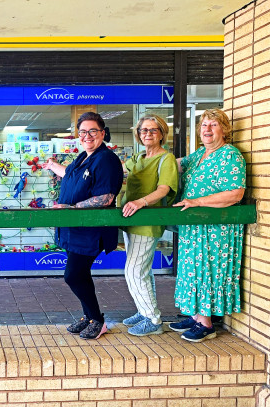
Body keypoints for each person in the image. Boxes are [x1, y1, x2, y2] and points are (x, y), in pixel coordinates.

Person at [43, 112, 123, 339]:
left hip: (91, 229)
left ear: (103, 133)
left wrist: (72, 208)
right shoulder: (83, 157)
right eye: (83, 132)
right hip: (75, 229)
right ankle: (89, 316)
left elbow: (106, 197)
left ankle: (97, 320)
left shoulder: (106, 159)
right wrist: (53, 166)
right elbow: (70, 175)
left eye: (93, 131)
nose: (87, 136)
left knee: (73, 275)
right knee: (81, 274)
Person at [169, 109, 246, 342]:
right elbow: (173, 166)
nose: (207, 130)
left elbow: (236, 194)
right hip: (194, 227)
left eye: (213, 125)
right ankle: (195, 316)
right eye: (204, 125)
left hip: (216, 228)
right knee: (192, 270)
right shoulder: (200, 154)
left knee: (207, 271)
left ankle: (206, 323)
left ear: (224, 129)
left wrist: (197, 202)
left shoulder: (229, 155)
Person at [120, 115, 178, 336]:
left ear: (162, 134)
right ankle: (143, 310)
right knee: (142, 270)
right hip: (131, 220)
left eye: (153, 130)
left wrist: (140, 202)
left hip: (147, 220)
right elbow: (122, 169)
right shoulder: (138, 157)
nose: (148, 134)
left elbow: (164, 189)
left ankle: (153, 319)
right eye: (144, 130)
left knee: (134, 271)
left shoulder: (166, 159)